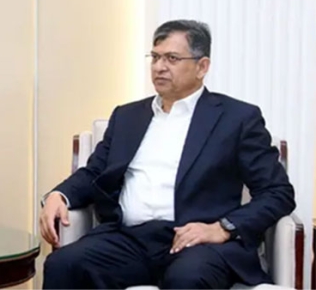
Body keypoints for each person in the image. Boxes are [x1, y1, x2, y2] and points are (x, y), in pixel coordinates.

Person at [40, 20, 296, 289]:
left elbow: (277, 192)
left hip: (198, 242)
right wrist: (60, 194)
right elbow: (95, 172)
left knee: (187, 277)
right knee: (63, 264)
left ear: (202, 67)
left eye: (172, 58)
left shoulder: (237, 119)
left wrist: (223, 228)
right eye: (155, 57)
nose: (159, 67)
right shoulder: (127, 116)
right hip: (129, 240)